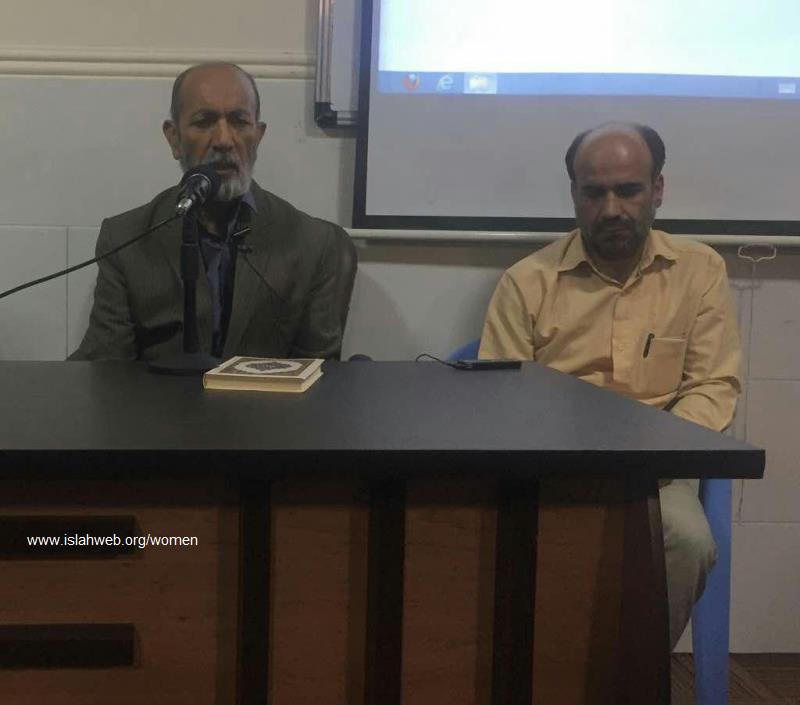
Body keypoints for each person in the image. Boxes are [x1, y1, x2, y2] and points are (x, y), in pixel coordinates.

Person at [479, 123, 742, 648]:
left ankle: (632, 676)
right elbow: (500, 400)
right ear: (574, 194)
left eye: (629, 190)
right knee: (466, 534)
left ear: (657, 190)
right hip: (551, 471)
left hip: (657, 473)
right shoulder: (526, 282)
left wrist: (650, 452)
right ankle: (541, 671)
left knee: (687, 541)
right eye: (594, 192)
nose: (612, 209)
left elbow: (714, 385)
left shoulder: (700, 271)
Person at [71, 62, 353, 362]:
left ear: (257, 136)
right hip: (158, 394)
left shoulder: (313, 244)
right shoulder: (126, 240)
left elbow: (319, 375)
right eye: (204, 122)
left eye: (239, 122)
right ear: (174, 138)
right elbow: (104, 370)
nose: (223, 140)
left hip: (263, 395)